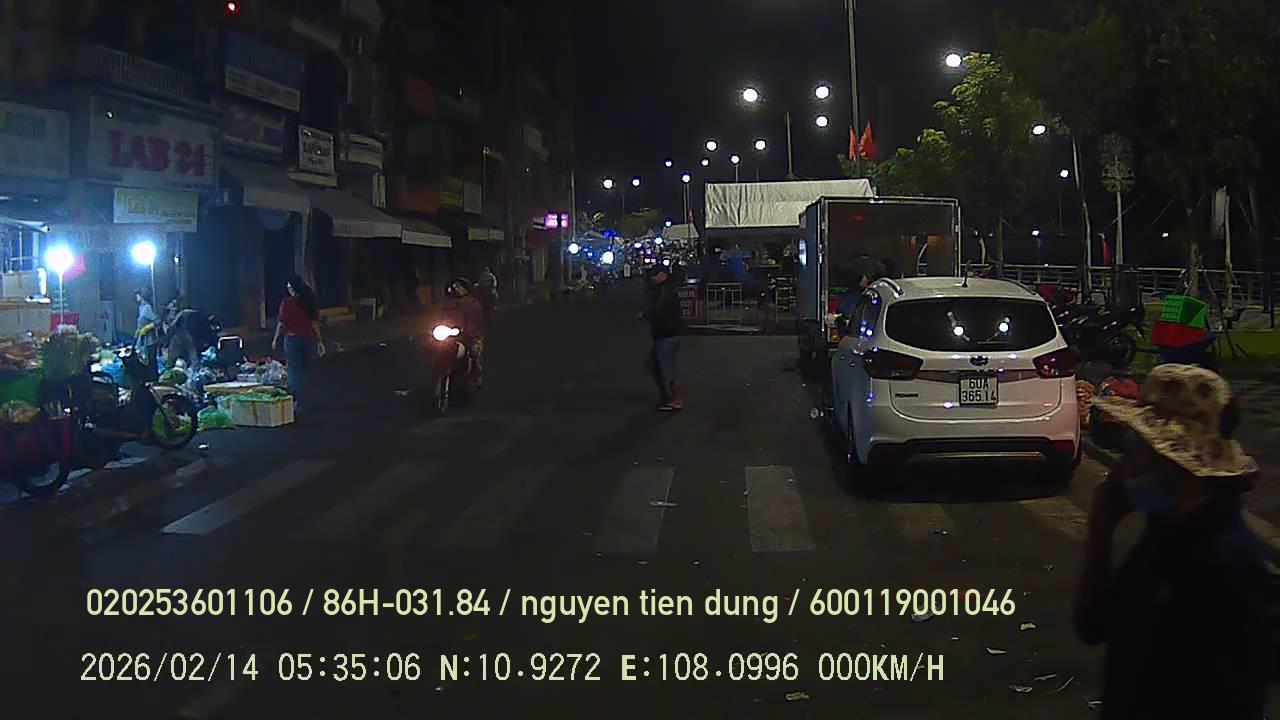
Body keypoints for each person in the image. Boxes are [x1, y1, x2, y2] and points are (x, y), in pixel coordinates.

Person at [1076, 364, 1269, 718]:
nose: (1126, 465)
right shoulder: (1165, 532)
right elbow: (1094, 623)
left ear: (1175, 463)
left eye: (1139, 448)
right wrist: (1102, 527)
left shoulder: (1225, 564)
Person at [272, 276, 325, 414]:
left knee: (294, 371)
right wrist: (320, 341)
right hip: (309, 340)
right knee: (307, 371)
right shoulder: (309, 302)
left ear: (293, 288)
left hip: (293, 340)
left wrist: (275, 339)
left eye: (289, 286)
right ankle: (305, 400)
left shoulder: (287, 303)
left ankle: (296, 401)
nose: (287, 289)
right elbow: (315, 324)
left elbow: (281, 323)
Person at [641, 265, 684, 411]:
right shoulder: (664, 288)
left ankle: (676, 399)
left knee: (668, 370)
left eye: (655, 275)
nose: (652, 278)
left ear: (663, 275)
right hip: (666, 333)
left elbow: (658, 310)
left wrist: (645, 315)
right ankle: (666, 396)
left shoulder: (666, 291)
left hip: (667, 334)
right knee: (655, 366)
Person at [442, 278, 486, 387]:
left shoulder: (473, 303)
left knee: (474, 352)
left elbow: (475, 321)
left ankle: (476, 376)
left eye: (459, 286)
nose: (456, 289)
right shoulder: (448, 304)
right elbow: (440, 318)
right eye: (454, 287)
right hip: (452, 335)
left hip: (469, 336)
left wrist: (470, 332)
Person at [161, 297, 199, 370]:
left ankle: (195, 370)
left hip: (183, 335)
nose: (174, 306)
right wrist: (178, 316)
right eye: (172, 304)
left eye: (175, 304)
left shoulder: (180, 312)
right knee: (171, 359)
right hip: (176, 337)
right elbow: (169, 329)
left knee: (192, 355)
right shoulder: (167, 317)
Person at [133, 288, 159, 375]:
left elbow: (157, 321)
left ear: (142, 296)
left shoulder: (147, 307)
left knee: (151, 364)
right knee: (143, 362)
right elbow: (142, 322)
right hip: (142, 341)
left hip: (149, 342)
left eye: (138, 294)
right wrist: (138, 330)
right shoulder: (141, 307)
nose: (136, 296)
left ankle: (153, 379)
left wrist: (147, 328)